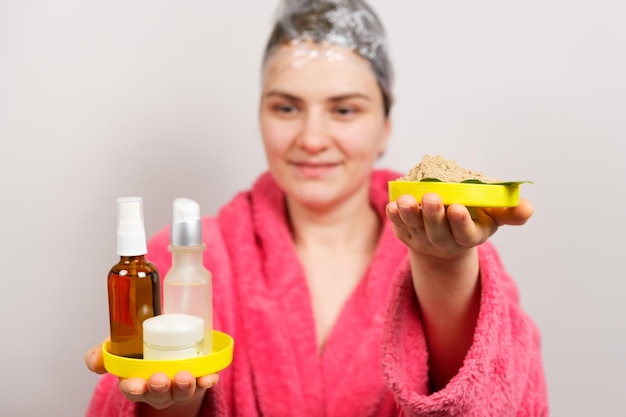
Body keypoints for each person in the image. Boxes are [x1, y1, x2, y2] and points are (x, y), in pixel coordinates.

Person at [84, 0, 549, 416]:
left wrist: (443, 263)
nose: (311, 139)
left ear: (385, 126)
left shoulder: (455, 243)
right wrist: (172, 410)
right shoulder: (183, 255)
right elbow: (132, 396)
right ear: (261, 114)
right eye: (286, 108)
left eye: (344, 110)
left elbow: (496, 400)